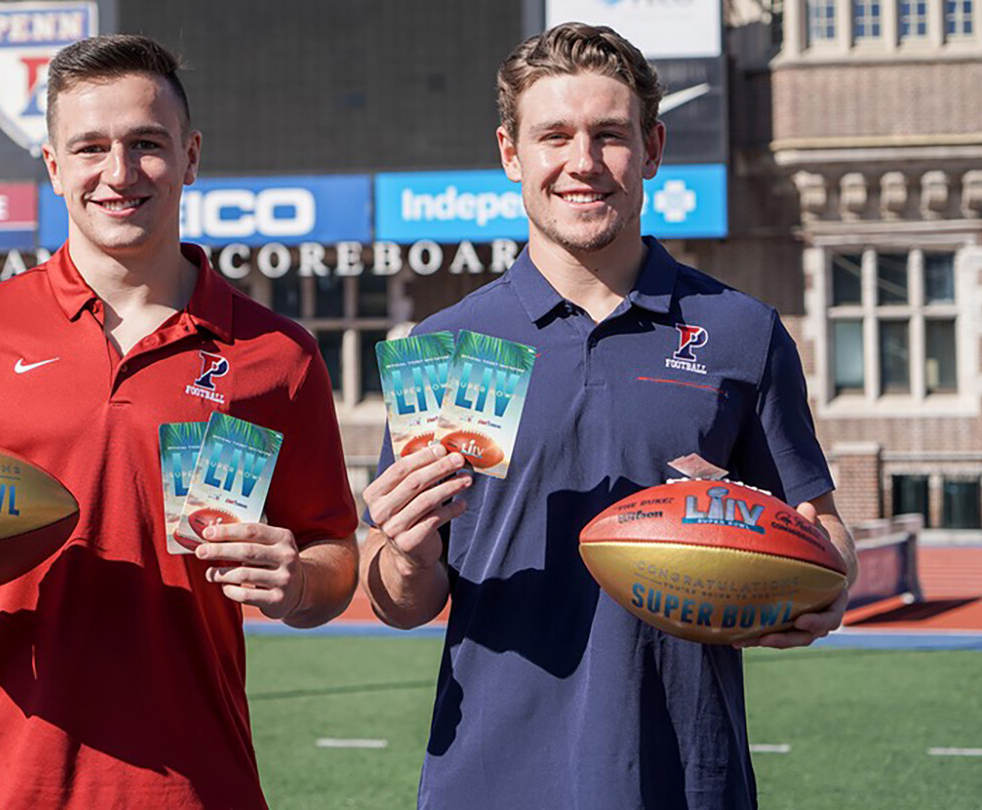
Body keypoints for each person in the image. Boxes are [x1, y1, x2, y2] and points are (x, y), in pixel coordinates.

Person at [0, 34, 359, 809]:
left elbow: (333, 557)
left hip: (193, 781)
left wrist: (299, 582)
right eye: (90, 148)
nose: (119, 173)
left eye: (147, 144)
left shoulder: (278, 356)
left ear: (191, 156)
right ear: (53, 166)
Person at [360, 23, 858, 809]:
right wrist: (406, 556)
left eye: (610, 135)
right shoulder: (447, 346)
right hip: (488, 779)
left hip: (688, 777)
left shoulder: (739, 330)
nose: (582, 163)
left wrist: (828, 582)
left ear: (653, 148)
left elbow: (821, 527)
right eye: (553, 135)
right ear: (510, 154)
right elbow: (400, 599)